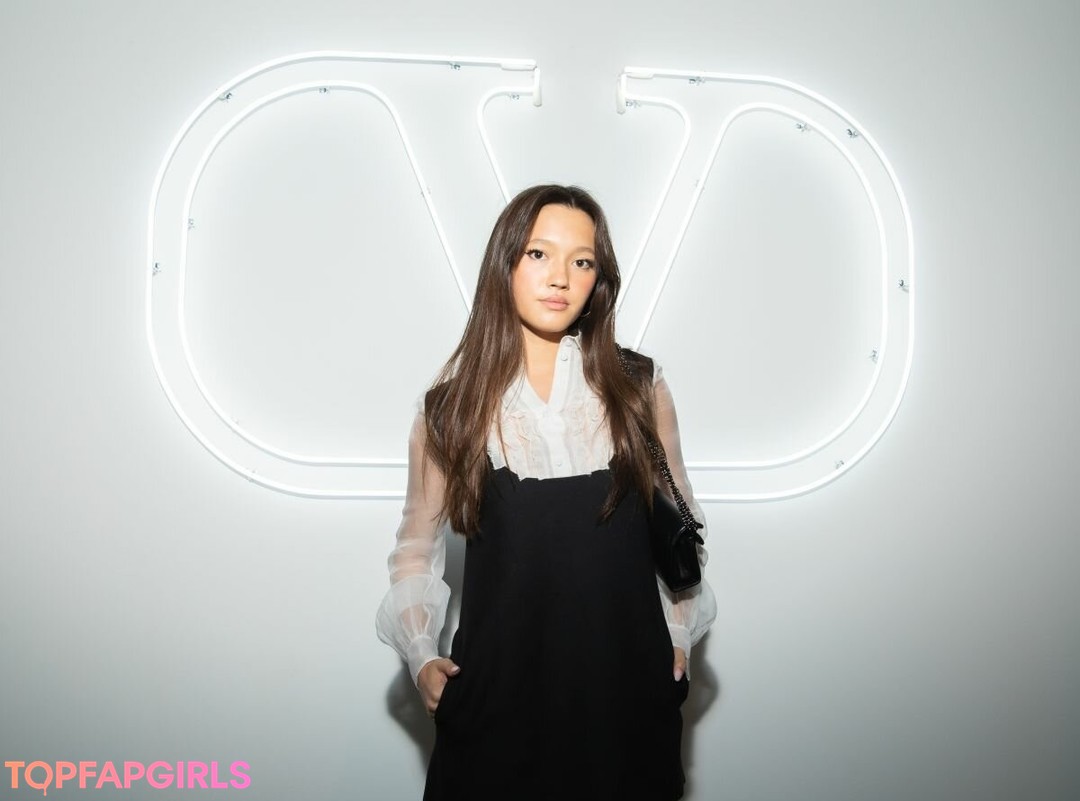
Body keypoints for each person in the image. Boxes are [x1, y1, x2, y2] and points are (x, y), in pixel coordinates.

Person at [376, 184, 716, 801]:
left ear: (598, 280)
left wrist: (677, 636)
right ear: (505, 262)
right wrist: (422, 654)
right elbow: (415, 547)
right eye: (539, 253)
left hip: (626, 698)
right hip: (498, 704)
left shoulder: (639, 386)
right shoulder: (450, 409)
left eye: (582, 261)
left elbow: (681, 524)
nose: (561, 277)